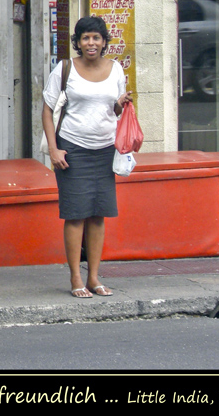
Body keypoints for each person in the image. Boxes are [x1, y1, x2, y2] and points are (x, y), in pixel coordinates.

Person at [42, 16, 131, 299]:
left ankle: (94, 277)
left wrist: (120, 106)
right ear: (78, 43)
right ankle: (75, 277)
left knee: (98, 215)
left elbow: (115, 112)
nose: (90, 43)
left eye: (96, 38)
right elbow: (46, 110)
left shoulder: (116, 69)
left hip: (105, 149)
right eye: (85, 38)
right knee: (76, 215)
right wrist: (54, 149)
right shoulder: (65, 69)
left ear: (104, 42)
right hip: (73, 148)